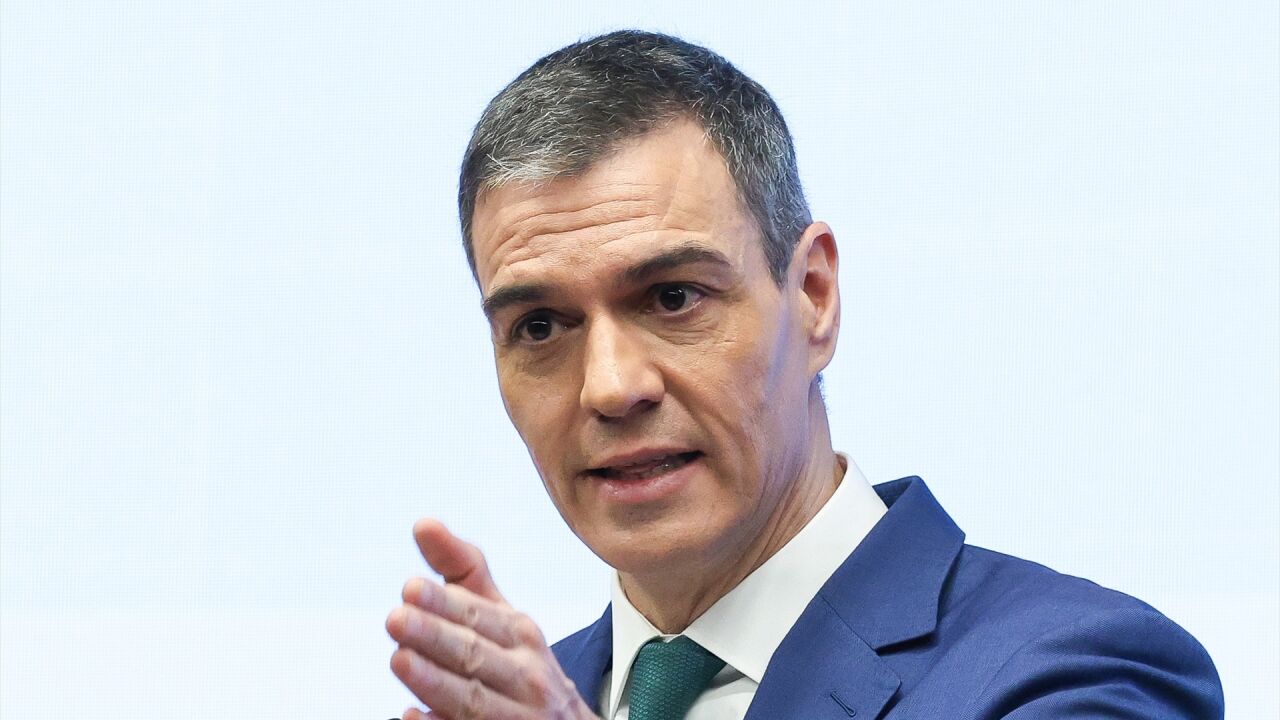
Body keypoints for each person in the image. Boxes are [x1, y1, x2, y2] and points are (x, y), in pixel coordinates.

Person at [384, 30, 1224, 719]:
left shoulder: (1078, 673)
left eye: (673, 298)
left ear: (814, 296)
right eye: (539, 326)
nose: (609, 386)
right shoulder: (495, 707)